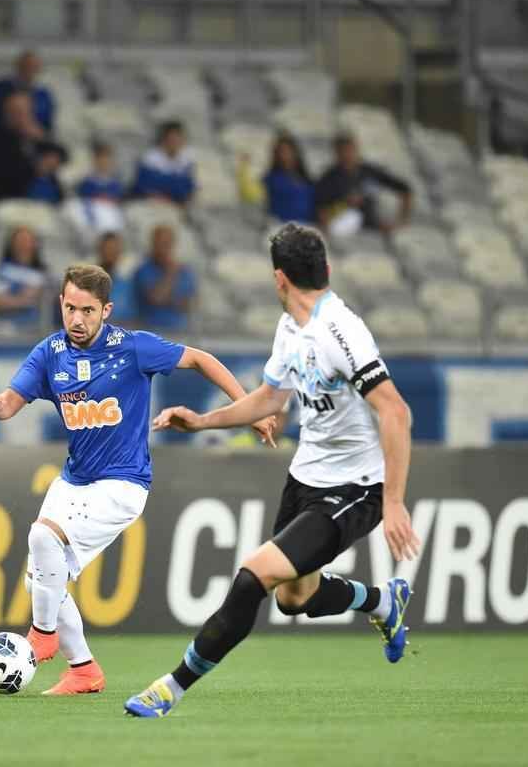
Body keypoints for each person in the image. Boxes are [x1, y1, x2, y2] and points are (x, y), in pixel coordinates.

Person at [125, 222, 421, 718]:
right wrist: (202, 421)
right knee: (294, 598)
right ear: (322, 268)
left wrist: (391, 502)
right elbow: (269, 398)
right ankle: (382, 602)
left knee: (251, 578)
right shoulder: (290, 328)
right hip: (306, 477)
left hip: (355, 489)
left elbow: (396, 412)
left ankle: (170, 687)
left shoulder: (340, 331)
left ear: (279, 278)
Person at [0, 263, 277, 696]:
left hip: (122, 484)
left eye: (88, 310)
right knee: (43, 575)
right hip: (74, 479)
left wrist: (249, 409)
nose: (77, 320)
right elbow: (11, 402)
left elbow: (200, 359)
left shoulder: (133, 348)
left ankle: (41, 637)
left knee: (43, 540)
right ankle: (83, 670)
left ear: (106, 310)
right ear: (60, 304)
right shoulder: (50, 353)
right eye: (70, 308)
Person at [315, 130, 412, 236]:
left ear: (356, 150)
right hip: (344, 226)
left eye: (350, 150)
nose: (347, 155)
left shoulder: (370, 172)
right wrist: (345, 204)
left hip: (373, 228)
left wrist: (401, 220)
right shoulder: (328, 178)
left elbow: (405, 190)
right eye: (342, 151)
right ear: (336, 153)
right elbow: (322, 212)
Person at [133, 224, 196, 331]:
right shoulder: (144, 271)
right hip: (152, 330)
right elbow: (156, 298)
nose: (163, 248)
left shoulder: (185, 272)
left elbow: (190, 304)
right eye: (160, 243)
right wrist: (171, 273)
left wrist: (171, 300)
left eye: (166, 243)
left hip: (180, 330)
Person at [0, 91, 46, 202]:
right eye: (16, 112)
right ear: (7, 114)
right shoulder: (0, 137)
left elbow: (61, 152)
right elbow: (11, 176)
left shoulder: (33, 134)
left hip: (44, 199)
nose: (22, 117)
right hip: (14, 201)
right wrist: (38, 168)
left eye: (26, 112)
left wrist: (42, 138)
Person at [0, 50, 55, 134]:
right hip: (2, 135)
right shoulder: (0, 88)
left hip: (35, 136)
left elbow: (48, 124)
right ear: (18, 66)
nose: (29, 69)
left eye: (33, 66)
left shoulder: (44, 95)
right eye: (26, 66)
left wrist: (38, 131)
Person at [0, 226, 49, 329]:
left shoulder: (43, 273)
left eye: (28, 240)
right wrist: (25, 300)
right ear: (12, 244)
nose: (24, 245)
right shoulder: (4, 271)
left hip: (38, 328)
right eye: (21, 240)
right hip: (8, 327)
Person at [131, 121, 196, 206]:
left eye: (178, 139)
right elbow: (143, 186)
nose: (175, 143)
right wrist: (172, 185)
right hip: (150, 202)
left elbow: (187, 188)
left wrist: (168, 185)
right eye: (172, 139)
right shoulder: (150, 158)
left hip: (175, 203)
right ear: (164, 140)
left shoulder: (186, 159)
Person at [261, 134, 317, 224]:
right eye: (280, 152)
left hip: (308, 225)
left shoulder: (306, 179)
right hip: (283, 225)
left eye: (287, 151)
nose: (284, 156)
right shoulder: (272, 179)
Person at [97, 231, 137, 322]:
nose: (112, 253)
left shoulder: (127, 285)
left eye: (115, 249)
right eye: (108, 249)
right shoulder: (87, 283)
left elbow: (132, 316)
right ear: (100, 249)